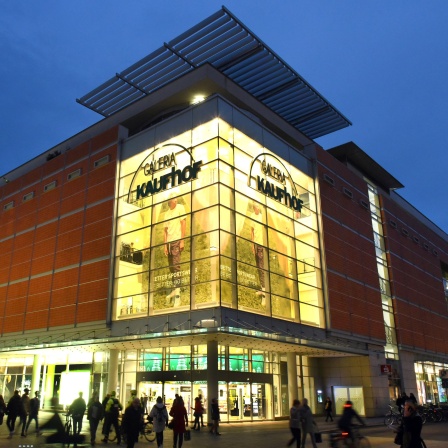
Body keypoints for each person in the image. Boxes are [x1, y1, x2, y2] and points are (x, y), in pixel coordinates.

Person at [164, 196, 186, 307]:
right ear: (170, 201)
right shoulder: (166, 214)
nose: (176, 200)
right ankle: (175, 291)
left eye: (176, 199)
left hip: (177, 240)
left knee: (176, 267)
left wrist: (182, 240)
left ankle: (178, 296)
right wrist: (165, 245)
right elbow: (165, 230)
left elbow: (183, 223)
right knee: (171, 268)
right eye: (174, 199)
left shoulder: (180, 208)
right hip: (169, 243)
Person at [251, 201, 266, 306]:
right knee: (258, 267)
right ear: (254, 208)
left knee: (262, 268)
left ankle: (264, 294)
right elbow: (251, 231)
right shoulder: (252, 216)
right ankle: (262, 288)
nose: (258, 208)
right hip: (256, 245)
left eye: (258, 206)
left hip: (262, 245)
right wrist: (252, 245)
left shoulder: (263, 217)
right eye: (256, 206)